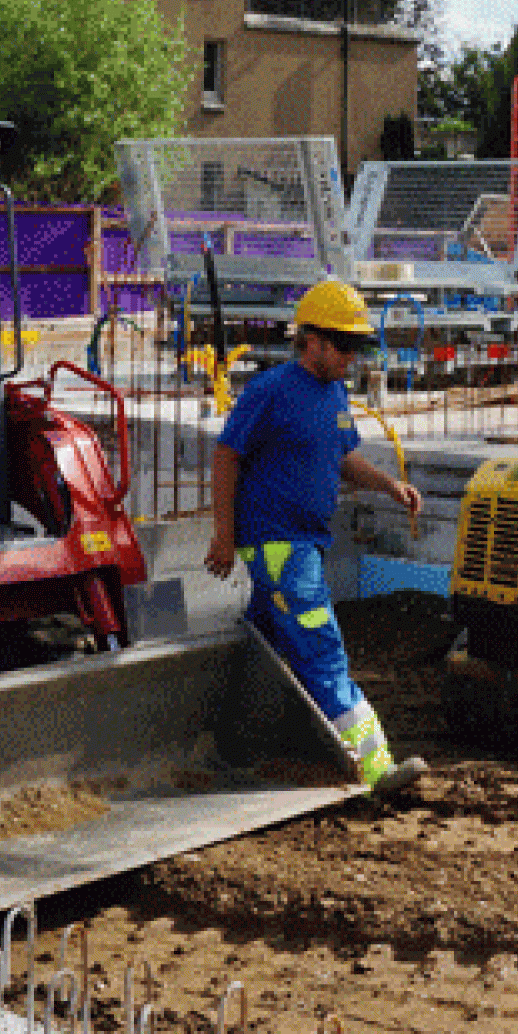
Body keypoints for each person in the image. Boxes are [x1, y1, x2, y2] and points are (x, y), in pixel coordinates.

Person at [205, 278, 427, 797]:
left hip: (306, 544)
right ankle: (378, 767)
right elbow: (226, 455)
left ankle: (233, 745)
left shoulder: (332, 394)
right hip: (280, 546)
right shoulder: (271, 392)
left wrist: (389, 486)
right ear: (315, 341)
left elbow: (343, 456)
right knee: (322, 649)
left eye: (357, 348)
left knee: (261, 644)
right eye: (345, 347)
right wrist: (223, 534)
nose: (352, 358)